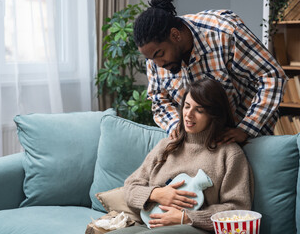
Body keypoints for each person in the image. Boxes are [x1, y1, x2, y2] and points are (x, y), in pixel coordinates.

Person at [133, 0, 287, 144]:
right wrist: (175, 125)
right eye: (151, 59)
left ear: (175, 35)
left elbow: (272, 76)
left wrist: (247, 128)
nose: (158, 64)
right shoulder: (155, 58)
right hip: (202, 143)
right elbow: (158, 98)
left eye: (160, 54)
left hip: (247, 133)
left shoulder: (224, 32)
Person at [109, 78, 254, 234]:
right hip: (149, 224)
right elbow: (130, 187)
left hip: (195, 228)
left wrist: (187, 217)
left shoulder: (229, 154)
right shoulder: (166, 146)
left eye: (199, 110)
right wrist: (156, 194)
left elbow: (237, 208)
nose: (188, 115)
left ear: (214, 115)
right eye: (186, 106)